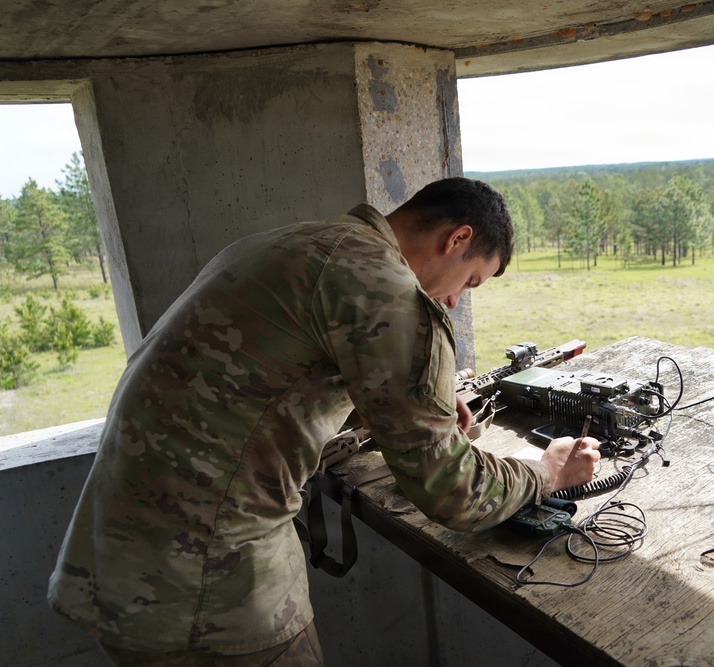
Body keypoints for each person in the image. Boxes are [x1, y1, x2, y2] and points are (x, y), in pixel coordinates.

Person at [48, 177, 601, 665]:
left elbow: (253, 372)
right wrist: (547, 473)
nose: (455, 301)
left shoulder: (292, 244)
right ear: (457, 239)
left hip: (113, 562)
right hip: (209, 590)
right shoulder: (383, 286)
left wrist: (392, 401)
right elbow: (452, 491)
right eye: (470, 281)